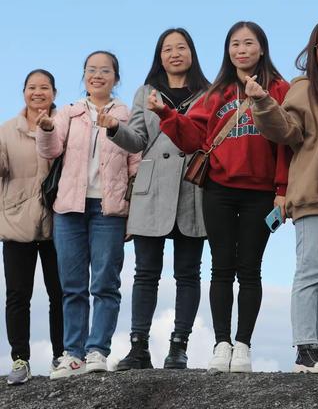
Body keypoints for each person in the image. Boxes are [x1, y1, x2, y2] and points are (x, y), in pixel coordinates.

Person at [147, 21, 290, 372]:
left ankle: (243, 345)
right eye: (235, 44)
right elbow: (193, 137)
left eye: (248, 43)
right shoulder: (216, 93)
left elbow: (289, 142)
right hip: (219, 190)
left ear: (262, 47)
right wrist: (167, 114)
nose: (241, 50)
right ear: (228, 51)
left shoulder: (280, 88)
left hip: (261, 193)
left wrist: (283, 190)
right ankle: (221, 343)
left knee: (250, 270)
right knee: (221, 268)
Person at [97, 28, 209, 370]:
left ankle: (179, 347)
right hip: (151, 191)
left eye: (181, 47)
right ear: (159, 56)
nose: (175, 54)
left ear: (192, 52)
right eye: (167, 49)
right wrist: (114, 128)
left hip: (192, 190)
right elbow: (138, 140)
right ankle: (138, 346)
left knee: (188, 273)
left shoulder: (207, 93)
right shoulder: (145, 92)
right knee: (145, 273)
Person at [247, 19, 318, 374]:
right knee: (311, 271)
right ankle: (304, 349)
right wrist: (262, 102)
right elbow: (285, 130)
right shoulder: (303, 88)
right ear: (312, 50)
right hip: (313, 194)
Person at [36, 51, 140, 379]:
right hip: (70, 209)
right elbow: (50, 151)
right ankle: (73, 353)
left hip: (109, 210)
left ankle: (98, 350)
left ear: (116, 78)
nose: (97, 75)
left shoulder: (126, 113)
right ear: (83, 76)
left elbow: (135, 164)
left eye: (105, 70)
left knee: (106, 284)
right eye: (91, 70)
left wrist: (133, 212)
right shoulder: (69, 111)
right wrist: (47, 129)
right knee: (72, 286)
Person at [0, 70, 63, 385]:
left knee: (61, 293)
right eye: (32, 87)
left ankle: (61, 356)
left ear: (55, 92)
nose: (38, 92)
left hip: (59, 221)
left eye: (45, 87)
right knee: (17, 295)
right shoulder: (6, 131)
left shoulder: (65, 125)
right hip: (17, 221)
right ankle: (20, 358)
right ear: (23, 91)